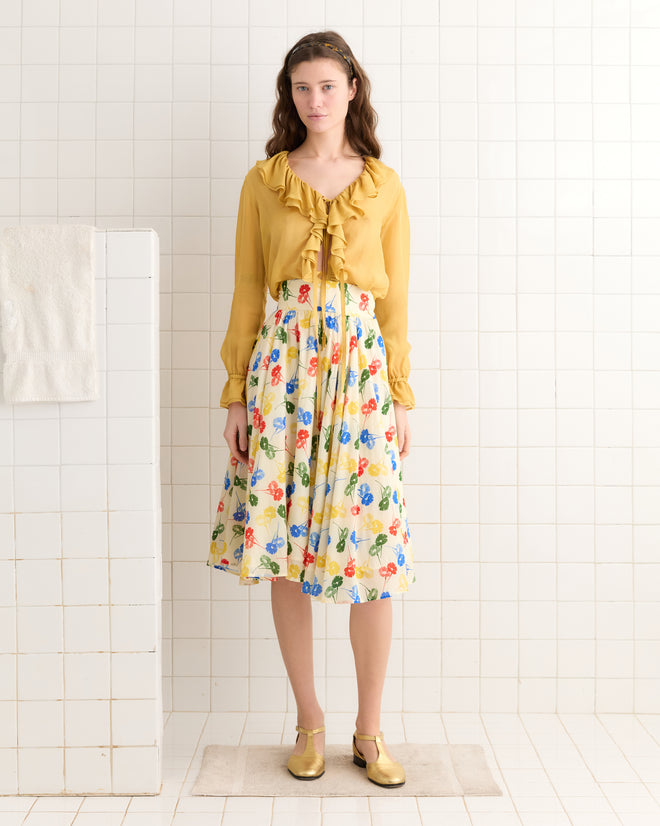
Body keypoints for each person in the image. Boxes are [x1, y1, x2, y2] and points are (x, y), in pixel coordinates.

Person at [208, 31, 415, 787]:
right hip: (283, 375)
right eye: (301, 87)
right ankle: (310, 722)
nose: (314, 100)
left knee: (372, 557)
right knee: (285, 552)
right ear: (288, 95)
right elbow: (245, 289)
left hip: (359, 375)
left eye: (327, 85)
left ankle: (369, 730)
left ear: (352, 88)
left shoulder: (383, 185)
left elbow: (395, 303)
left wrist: (400, 394)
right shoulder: (264, 182)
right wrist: (236, 392)